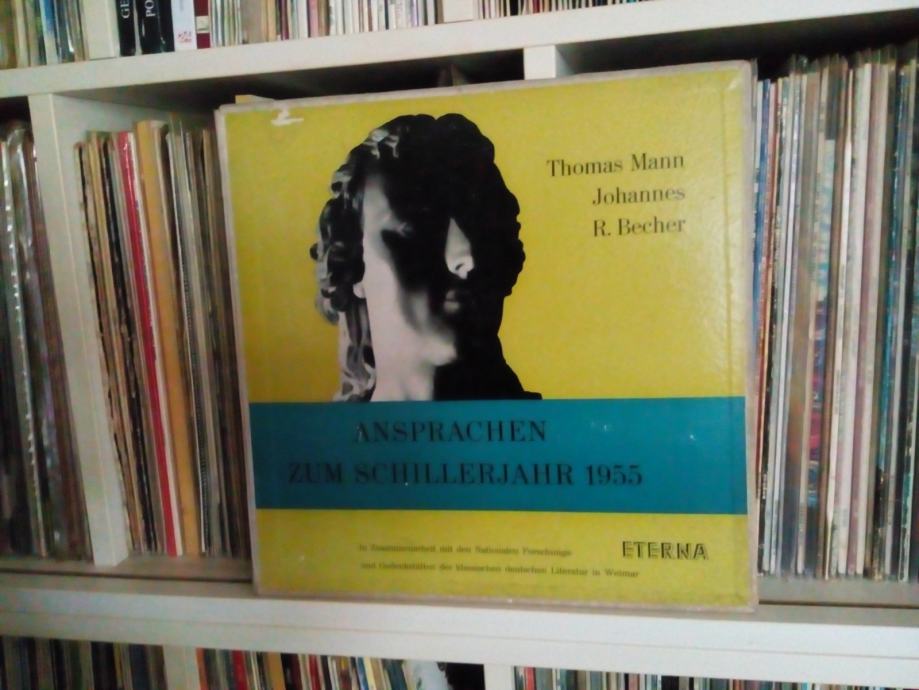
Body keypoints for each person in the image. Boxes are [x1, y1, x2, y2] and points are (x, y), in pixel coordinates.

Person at [310, 113, 539, 402]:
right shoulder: (324, 433)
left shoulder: (557, 428)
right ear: (352, 262)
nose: (467, 257)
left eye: (479, 223)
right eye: (416, 228)